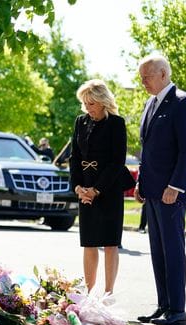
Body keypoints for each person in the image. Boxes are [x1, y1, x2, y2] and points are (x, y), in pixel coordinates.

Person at [135, 54, 186, 325]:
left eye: (146, 76)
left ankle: (177, 310)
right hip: (152, 191)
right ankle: (163, 305)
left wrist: (175, 185)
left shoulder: (182, 102)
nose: (142, 82)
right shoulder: (150, 103)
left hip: (172, 192)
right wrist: (141, 182)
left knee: (172, 250)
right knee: (158, 251)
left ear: (163, 74)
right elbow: (147, 149)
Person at [69, 79, 128, 295]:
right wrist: (78, 188)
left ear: (103, 101)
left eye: (91, 103)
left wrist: (96, 190)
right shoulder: (80, 122)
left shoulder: (116, 123)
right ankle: (88, 291)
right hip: (84, 189)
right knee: (89, 242)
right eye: (85, 104)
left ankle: (108, 292)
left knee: (110, 243)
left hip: (109, 190)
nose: (87, 108)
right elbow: (74, 157)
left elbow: (117, 162)